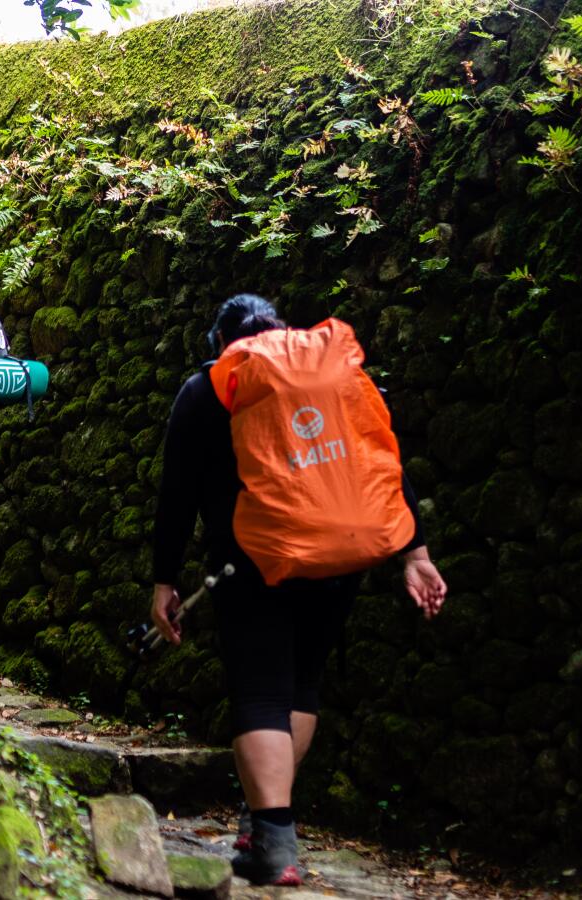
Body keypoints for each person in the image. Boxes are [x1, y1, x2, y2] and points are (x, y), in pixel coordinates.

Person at [149, 294, 447, 886]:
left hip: (253, 560)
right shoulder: (336, 375)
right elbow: (382, 461)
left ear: (220, 344)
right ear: (281, 328)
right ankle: (264, 819)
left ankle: (275, 848)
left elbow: (178, 492)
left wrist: (164, 579)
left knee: (260, 691)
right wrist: (416, 553)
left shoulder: (210, 386)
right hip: (343, 555)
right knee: (301, 687)